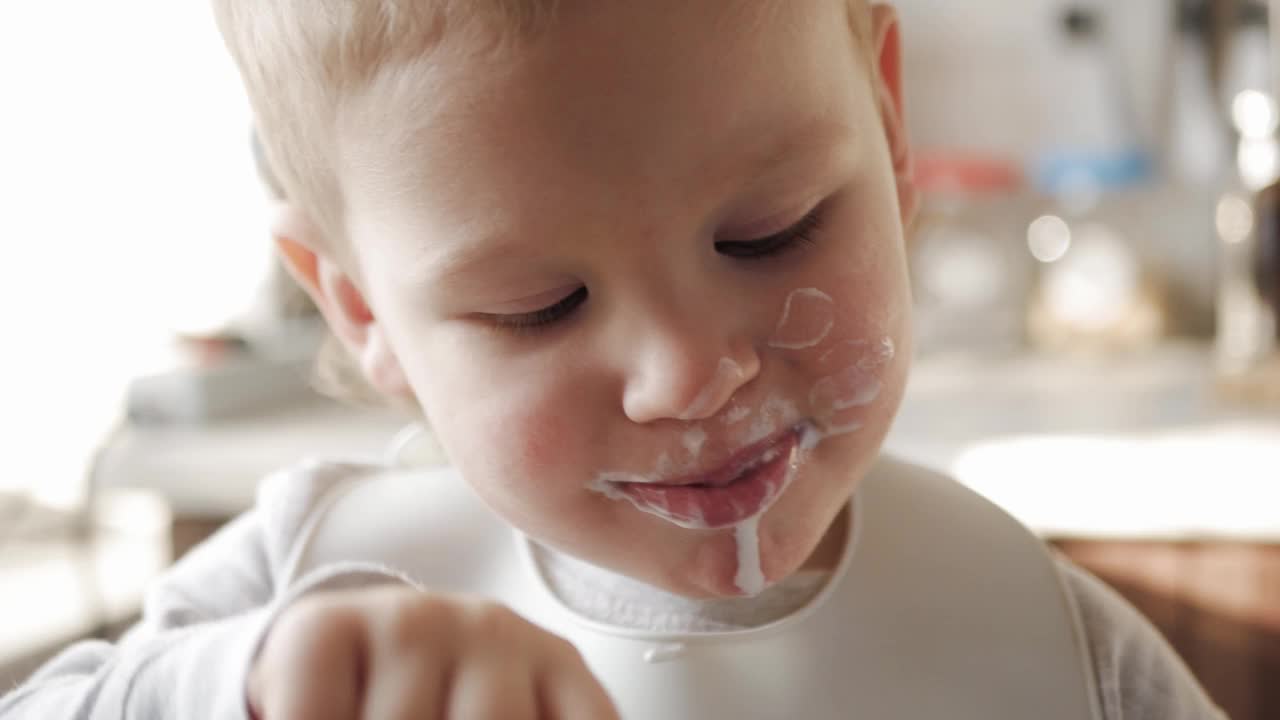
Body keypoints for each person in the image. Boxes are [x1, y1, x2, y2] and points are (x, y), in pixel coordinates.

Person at [1, 2, 1225, 718]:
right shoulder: (311, 576)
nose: (689, 376)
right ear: (362, 308)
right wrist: (256, 689)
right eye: (540, 306)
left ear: (888, 122)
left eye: (769, 229)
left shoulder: (1053, 653)